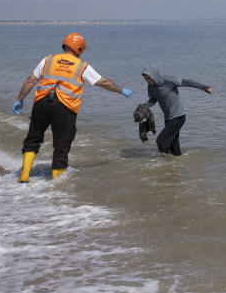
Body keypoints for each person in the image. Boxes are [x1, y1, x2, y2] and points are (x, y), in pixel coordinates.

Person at [12, 33, 132, 182]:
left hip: (41, 103)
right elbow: (104, 82)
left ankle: (24, 177)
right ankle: (57, 185)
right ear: (80, 49)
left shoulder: (48, 60)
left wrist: (19, 99)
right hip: (64, 106)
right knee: (61, 144)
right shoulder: (82, 66)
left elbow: (30, 80)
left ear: (64, 45)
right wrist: (121, 90)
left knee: (33, 138)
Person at [140, 67, 212, 155]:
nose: (147, 81)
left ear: (154, 76)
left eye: (148, 78)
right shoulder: (151, 87)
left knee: (161, 141)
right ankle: (176, 165)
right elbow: (153, 99)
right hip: (168, 118)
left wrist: (204, 88)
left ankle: (164, 163)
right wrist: (144, 106)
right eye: (145, 79)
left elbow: (187, 82)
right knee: (174, 147)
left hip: (178, 117)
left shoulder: (168, 80)